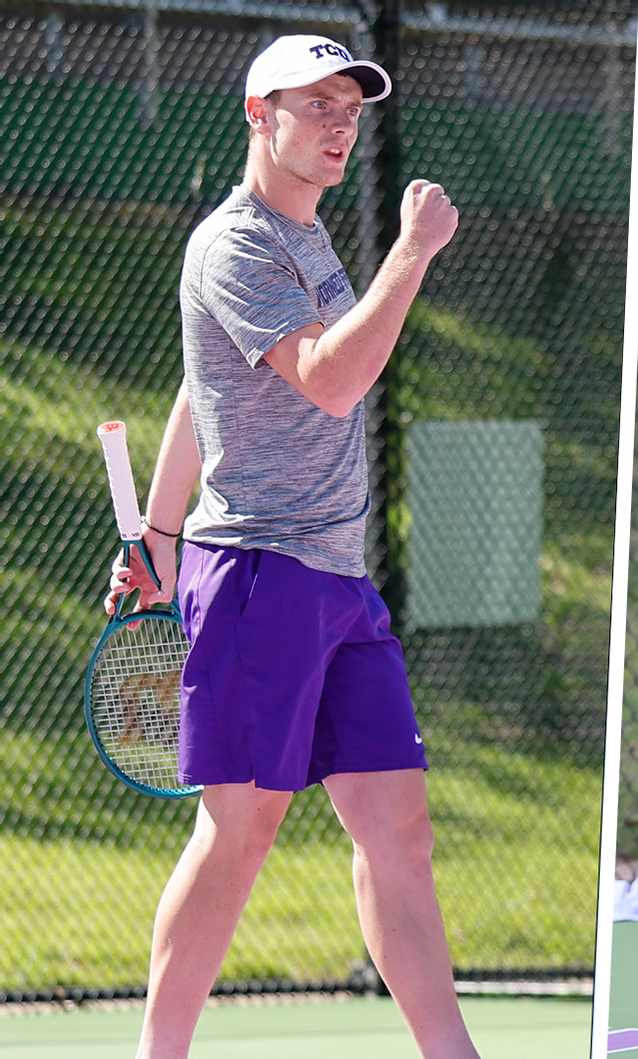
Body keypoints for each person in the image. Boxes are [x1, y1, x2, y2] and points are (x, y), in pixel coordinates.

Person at [103, 35, 473, 1059]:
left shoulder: (303, 239)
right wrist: (412, 251)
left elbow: (200, 382)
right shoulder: (237, 243)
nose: (340, 124)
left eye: (350, 107)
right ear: (258, 115)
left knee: (399, 831)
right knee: (239, 832)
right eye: (315, 105)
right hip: (260, 575)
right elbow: (330, 379)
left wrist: (157, 532)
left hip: (339, 581)